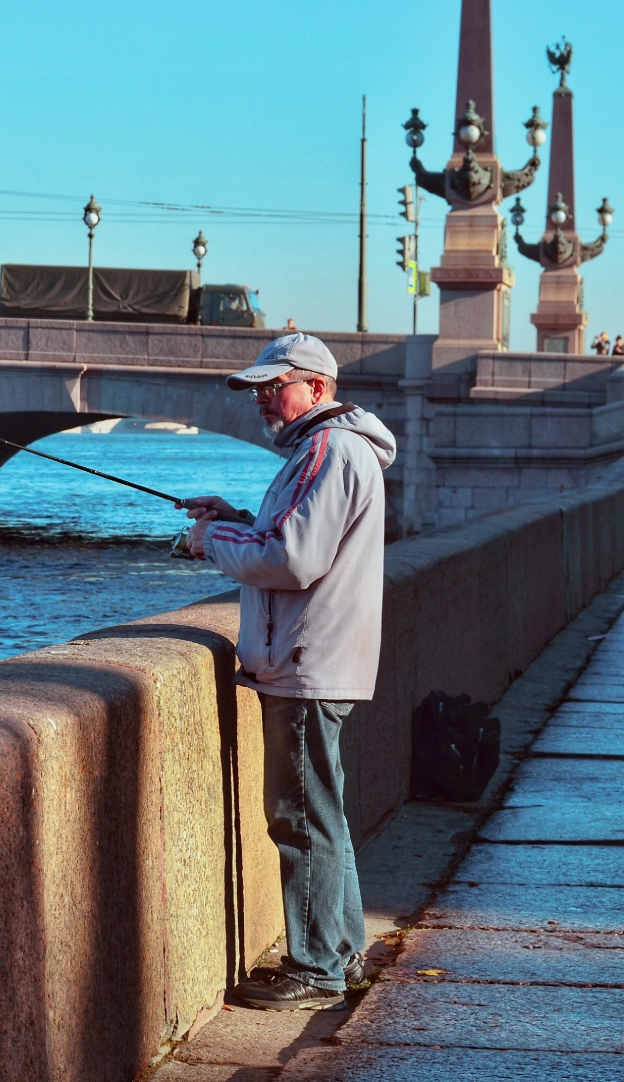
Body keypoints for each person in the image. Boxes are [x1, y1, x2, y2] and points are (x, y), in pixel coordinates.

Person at [181, 332, 397, 1012]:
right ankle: (341, 953)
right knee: (322, 815)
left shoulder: (327, 450)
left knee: (300, 817)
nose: (262, 400)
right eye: (258, 389)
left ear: (319, 388)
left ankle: (313, 969)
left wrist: (208, 537)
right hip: (317, 658)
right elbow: (297, 538)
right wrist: (239, 520)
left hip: (306, 661)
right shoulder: (332, 450)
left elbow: (293, 559)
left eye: (276, 386)